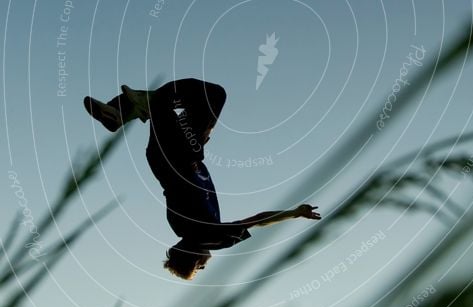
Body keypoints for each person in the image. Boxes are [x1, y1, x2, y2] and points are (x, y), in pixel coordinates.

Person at [83, 78, 321, 280]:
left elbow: (258, 220)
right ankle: (119, 112)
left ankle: (131, 109)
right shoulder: (180, 229)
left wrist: (294, 213)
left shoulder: (210, 238)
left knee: (212, 96)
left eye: (202, 266)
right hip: (160, 160)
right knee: (169, 104)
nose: (207, 263)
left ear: (197, 261)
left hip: (182, 155)